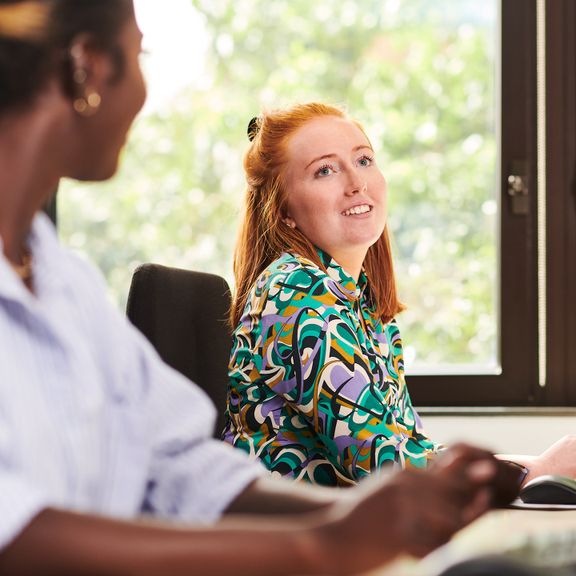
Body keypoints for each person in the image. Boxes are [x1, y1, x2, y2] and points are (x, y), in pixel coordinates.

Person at [0, 1, 516, 574]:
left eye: (364, 160)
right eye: (141, 53)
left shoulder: (63, 283)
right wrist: (327, 543)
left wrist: (352, 521)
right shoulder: (298, 289)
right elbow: (13, 529)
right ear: (87, 67)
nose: (146, 90)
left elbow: (181, 466)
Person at [223, 102, 576, 487]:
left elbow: (410, 446)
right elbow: (381, 464)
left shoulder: (364, 306)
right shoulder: (294, 290)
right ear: (284, 210)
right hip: (291, 535)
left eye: (363, 160)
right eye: (325, 170)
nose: (357, 182)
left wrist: (544, 464)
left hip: (345, 527)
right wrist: (536, 473)